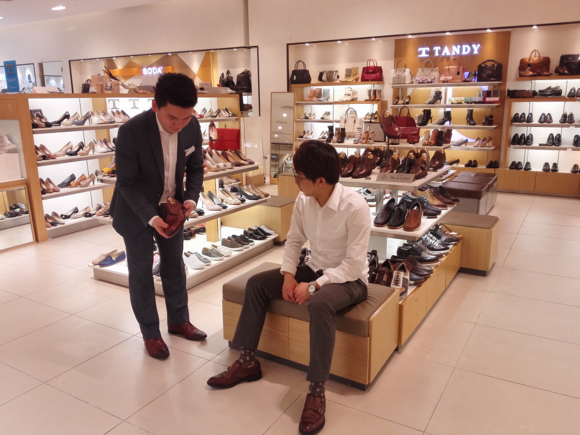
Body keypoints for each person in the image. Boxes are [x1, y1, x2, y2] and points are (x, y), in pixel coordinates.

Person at [207, 140, 371, 435]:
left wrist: (314, 286)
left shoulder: (355, 206)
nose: (295, 180)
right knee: (257, 283)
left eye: (299, 176)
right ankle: (247, 362)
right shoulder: (304, 200)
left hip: (350, 279)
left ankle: (316, 390)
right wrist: (288, 276)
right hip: (315, 266)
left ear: (320, 181)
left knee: (320, 302)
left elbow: (354, 265)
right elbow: (294, 240)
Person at [110, 72, 207, 360]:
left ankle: (178, 321)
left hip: (173, 208)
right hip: (136, 211)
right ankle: (151, 333)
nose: (179, 125)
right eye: (172, 118)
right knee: (141, 273)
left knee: (174, 266)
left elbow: (196, 168)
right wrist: (151, 218)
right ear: (155, 105)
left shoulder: (192, 126)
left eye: (186, 118)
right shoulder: (131, 131)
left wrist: (190, 199)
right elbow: (126, 183)